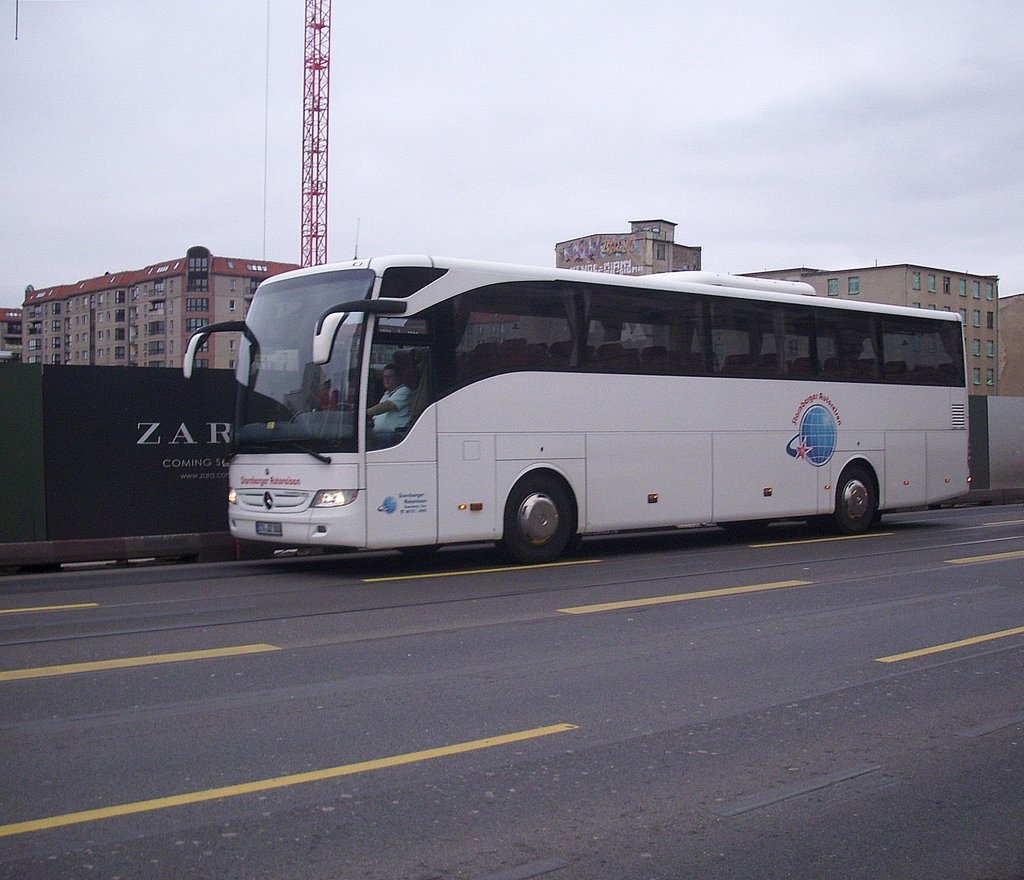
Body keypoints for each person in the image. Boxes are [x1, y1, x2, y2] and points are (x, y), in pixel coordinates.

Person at [367, 363, 411, 445]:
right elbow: (376, 417)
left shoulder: (404, 391)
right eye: (385, 377)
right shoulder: (386, 395)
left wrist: (363, 413)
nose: (387, 379)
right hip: (381, 435)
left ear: (399, 378)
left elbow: (387, 406)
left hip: (395, 437)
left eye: (390, 376)